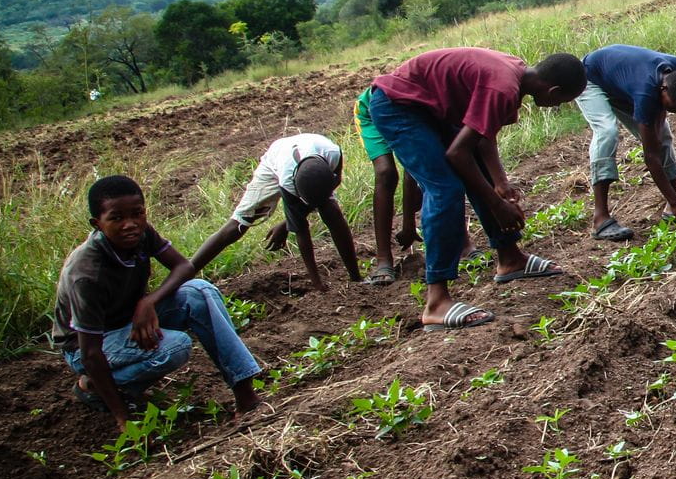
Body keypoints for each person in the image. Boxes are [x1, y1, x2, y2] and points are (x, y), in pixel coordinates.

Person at [361, 48, 586, 329]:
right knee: (445, 189)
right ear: (553, 92)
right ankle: (437, 302)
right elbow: (458, 154)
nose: (558, 106)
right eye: (562, 101)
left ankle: (510, 259)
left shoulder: (515, 76)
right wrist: (497, 205)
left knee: (477, 172)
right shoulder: (503, 87)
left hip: (426, 105)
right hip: (399, 106)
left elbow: (480, 139)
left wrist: (501, 185)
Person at [55, 175, 263, 429]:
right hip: (86, 345)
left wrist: (148, 302)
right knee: (174, 347)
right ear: (97, 223)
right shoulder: (87, 274)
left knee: (199, 292)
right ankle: (95, 386)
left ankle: (245, 395)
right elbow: (90, 352)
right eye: (116, 218)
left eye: (137, 213)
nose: (130, 224)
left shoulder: (141, 234)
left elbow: (183, 266)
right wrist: (123, 418)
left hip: (128, 317)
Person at [189, 133, 361, 291]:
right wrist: (317, 283)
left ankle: (355, 276)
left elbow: (334, 181)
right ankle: (187, 270)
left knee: (332, 213)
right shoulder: (288, 180)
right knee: (238, 224)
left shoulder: (333, 154)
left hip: (309, 157)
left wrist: (287, 223)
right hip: (276, 160)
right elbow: (301, 230)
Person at [578, 45, 676, 240]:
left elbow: (660, 128)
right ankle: (600, 218)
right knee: (607, 132)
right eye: (671, 107)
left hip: (621, 80)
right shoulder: (645, 92)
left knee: (664, 135)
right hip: (591, 77)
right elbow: (651, 157)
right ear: (663, 89)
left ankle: (672, 207)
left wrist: (659, 126)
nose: (673, 112)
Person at [355, 87, 422, 285]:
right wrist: (409, 225)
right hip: (370, 108)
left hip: (408, 108)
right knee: (386, 173)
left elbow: (413, 169)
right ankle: (383, 258)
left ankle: (462, 243)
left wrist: (409, 224)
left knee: (418, 163)